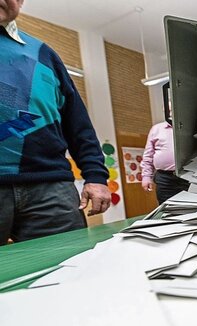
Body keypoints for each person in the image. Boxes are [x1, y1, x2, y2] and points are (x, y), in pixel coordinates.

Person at [0, 0, 110, 244]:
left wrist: (96, 176)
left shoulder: (44, 53)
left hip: (51, 188)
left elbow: (77, 122)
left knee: (68, 263)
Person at [141, 121, 189, 204]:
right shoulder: (156, 129)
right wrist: (146, 176)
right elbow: (148, 156)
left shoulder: (189, 126)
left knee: (193, 206)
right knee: (165, 207)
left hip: (188, 175)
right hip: (164, 178)